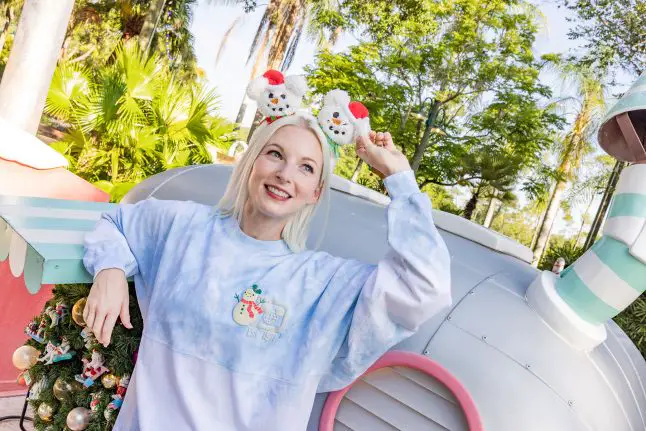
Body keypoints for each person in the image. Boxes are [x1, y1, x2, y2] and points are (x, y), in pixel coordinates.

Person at [82, 112, 452, 430]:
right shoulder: (183, 227)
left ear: (315, 193)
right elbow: (115, 221)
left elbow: (425, 286)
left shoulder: (321, 283)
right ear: (251, 163)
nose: (285, 174)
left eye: (306, 167)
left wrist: (399, 177)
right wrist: (110, 268)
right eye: (275, 154)